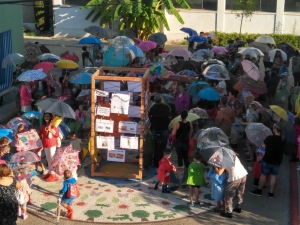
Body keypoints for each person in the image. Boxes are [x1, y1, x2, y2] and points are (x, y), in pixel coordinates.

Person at [250, 122, 285, 198]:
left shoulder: (269, 138)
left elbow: (264, 146)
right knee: (274, 176)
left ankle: (259, 190)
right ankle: (271, 193)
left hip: (268, 159)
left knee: (263, 175)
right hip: (277, 160)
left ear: (274, 129)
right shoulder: (283, 140)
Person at [148, 95, 171, 167]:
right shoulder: (166, 107)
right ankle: (164, 157)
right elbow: (170, 114)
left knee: (154, 143)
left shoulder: (152, 108)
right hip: (164, 127)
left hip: (156, 128)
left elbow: (149, 116)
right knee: (164, 143)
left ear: (155, 101)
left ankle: (155, 157)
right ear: (161, 100)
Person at [40, 113, 59, 182]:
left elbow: (57, 135)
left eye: (48, 116)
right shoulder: (43, 125)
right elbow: (41, 132)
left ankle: (53, 174)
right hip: (45, 143)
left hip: (52, 143)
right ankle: (50, 172)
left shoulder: (54, 125)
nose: (46, 117)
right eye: (45, 116)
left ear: (51, 117)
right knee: (48, 159)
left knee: (52, 158)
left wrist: (50, 130)